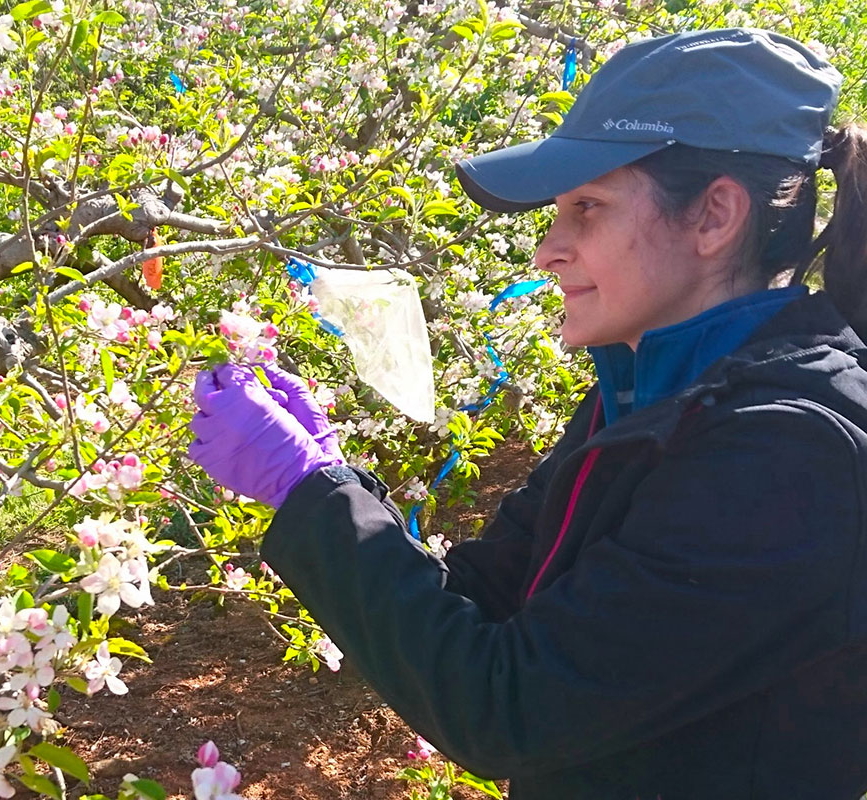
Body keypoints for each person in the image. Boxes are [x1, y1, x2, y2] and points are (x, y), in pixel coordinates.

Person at [186, 27, 867, 799]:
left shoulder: (788, 451)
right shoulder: (654, 392)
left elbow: (509, 707)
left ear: (714, 217)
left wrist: (304, 489)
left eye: (588, 207)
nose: (548, 250)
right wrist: (331, 478)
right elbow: (484, 599)